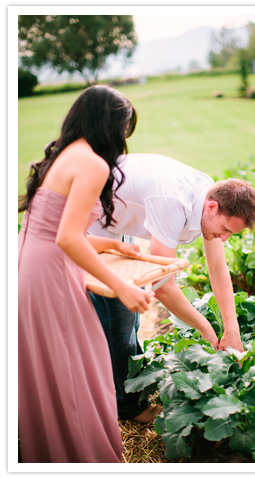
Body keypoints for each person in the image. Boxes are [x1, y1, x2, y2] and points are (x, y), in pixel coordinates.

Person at [18, 85, 154, 463]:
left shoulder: (64, 154)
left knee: (53, 365)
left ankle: (54, 452)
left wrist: (112, 245)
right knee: (77, 367)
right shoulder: (93, 164)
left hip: (29, 264)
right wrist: (121, 285)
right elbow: (66, 238)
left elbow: (56, 228)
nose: (124, 139)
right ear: (110, 125)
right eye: (125, 128)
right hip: (50, 274)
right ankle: (82, 457)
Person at [87, 153, 255, 423]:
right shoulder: (173, 202)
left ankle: (126, 382)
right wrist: (204, 327)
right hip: (92, 214)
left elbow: (217, 269)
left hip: (118, 209)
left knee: (130, 317)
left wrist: (232, 329)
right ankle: (128, 407)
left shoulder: (209, 198)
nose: (225, 239)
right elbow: (162, 286)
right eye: (225, 229)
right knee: (119, 314)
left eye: (232, 234)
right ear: (212, 207)